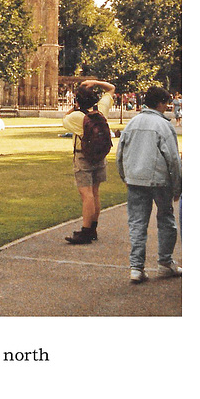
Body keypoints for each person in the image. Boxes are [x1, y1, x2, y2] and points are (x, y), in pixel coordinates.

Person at [116, 85, 182, 283]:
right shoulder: (163, 126)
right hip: (159, 180)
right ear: (160, 103)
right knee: (166, 220)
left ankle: (136, 267)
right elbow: (172, 158)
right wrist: (177, 186)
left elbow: (120, 153)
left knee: (137, 223)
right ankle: (164, 262)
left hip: (135, 178)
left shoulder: (133, 123)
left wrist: (124, 176)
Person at [62, 78, 115, 244]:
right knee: (95, 192)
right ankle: (92, 228)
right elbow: (111, 88)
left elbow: (65, 118)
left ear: (78, 101)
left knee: (86, 195)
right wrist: (94, 82)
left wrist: (75, 107)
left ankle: (85, 232)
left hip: (83, 156)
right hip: (99, 155)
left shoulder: (77, 117)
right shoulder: (101, 110)